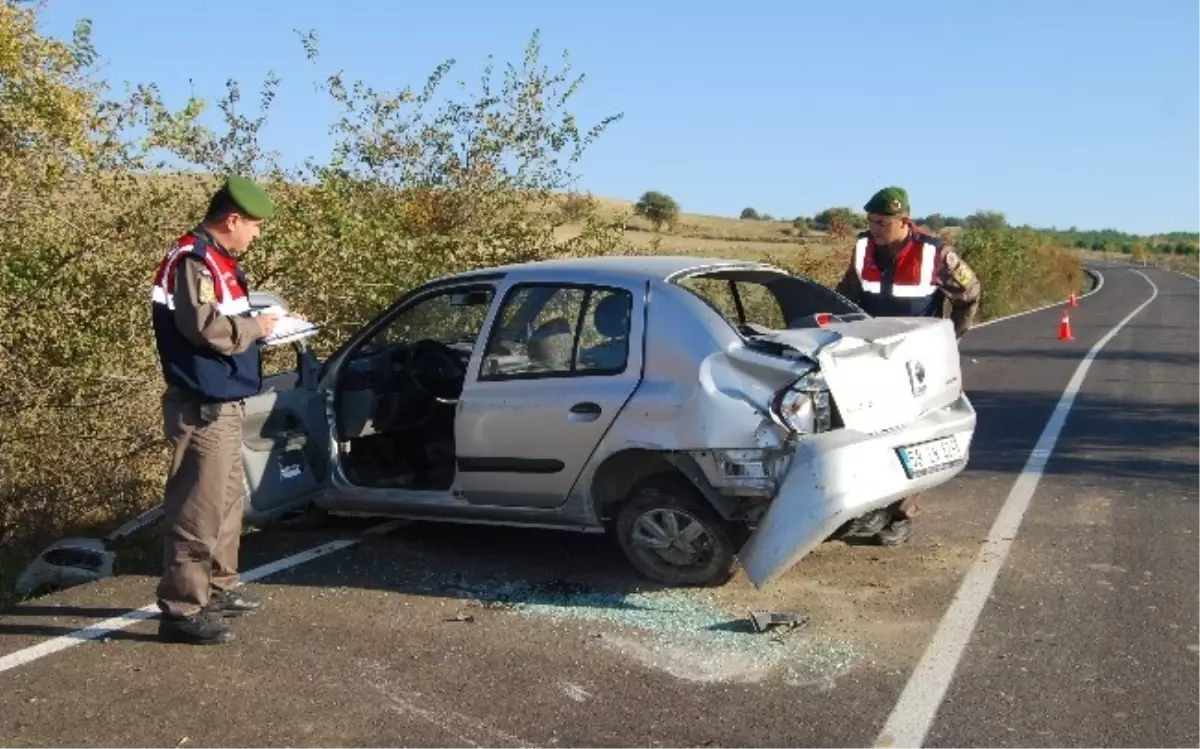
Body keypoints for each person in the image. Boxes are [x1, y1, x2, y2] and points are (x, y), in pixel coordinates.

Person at [149, 175, 285, 645]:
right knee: (197, 510)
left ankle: (217, 588)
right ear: (232, 220)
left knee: (227, 504)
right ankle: (182, 611)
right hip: (202, 405)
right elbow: (203, 327)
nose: (257, 234)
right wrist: (257, 329)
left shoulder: (218, 261)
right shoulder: (194, 259)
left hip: (224, 401)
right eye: (254, 225)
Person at [832, 185, 981, 546]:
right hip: (869, 356)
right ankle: (867, 508)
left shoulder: (935, 254)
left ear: (905, 222)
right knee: (865, 429)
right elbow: (844, 295)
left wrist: (950, 340)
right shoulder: (865, 248)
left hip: (917, 359)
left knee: (913, 436)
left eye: (883, 222)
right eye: (871, 221)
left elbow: (970, 295)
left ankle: (900, 516)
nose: (875, 228)